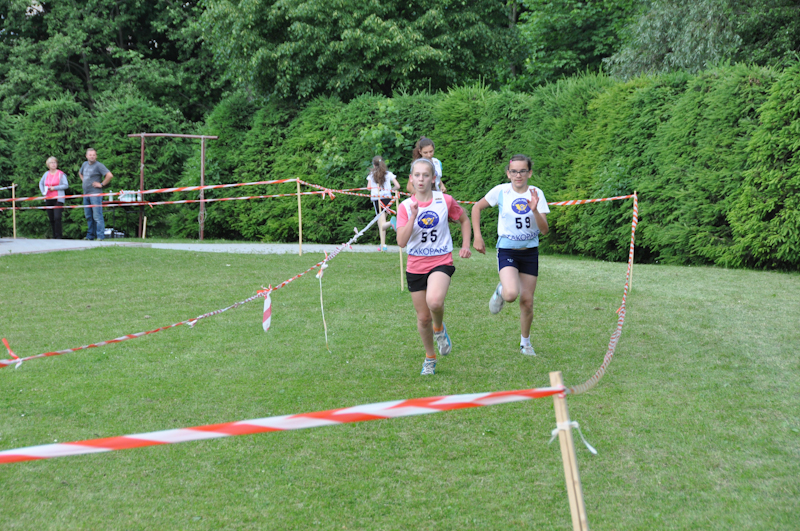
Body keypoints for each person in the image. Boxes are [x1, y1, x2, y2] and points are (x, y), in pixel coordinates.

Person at [397, 158, 471, 375]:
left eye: (425, 175)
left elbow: (464, 220)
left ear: (433, 178)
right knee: (423, 318)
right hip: (415, 265)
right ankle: (430, 357)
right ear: (411, 179)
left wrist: (466, 245)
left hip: (441, 260)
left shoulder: (445, 200)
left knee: (435, 301)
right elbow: (401, 242)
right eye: (417, 175)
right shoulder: (404, 207)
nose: (421, 179)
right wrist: (413, 216)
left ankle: (438, 328)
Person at [471, 154, 549, 356]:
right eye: (514, 171)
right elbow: (476, 208)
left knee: (527, 301)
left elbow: (544, 230)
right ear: (508, 173)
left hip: (530, 253)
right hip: (507, 250)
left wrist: (535, 210)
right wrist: (477, 236)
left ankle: (525, 343)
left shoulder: (536, 193)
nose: (518, 175)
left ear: (529, 173)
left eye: (523, 171)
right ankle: (501, 290)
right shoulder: (501, 191)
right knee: (512, 294)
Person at [366, 156, 400, 251]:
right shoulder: (388, 174)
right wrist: (390, 189)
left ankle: (391, 223)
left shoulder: (372, 174)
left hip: (377, 199)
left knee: (381, 221)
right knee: (381, 221)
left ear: (374, 165)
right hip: (387, 198)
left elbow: (368, 188)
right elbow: (397, 186)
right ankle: (382, 244)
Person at [79, 148, 113, 241]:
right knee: (88, 216)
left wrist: (101, 184)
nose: (92, 156)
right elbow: (80, 173)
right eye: (90, 155)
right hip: (86, 194)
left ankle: (100, 236)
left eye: (94, 155)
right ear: (86, 156)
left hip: (95, 194)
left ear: (96, 156)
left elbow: (109, 175)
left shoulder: (99, 165)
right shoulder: (84, 164)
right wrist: (84, 181)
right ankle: (90, 236)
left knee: (97, 216)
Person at [38, 156, 69, 239]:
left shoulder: (61, 174)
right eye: (51, 163)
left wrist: (55, 188)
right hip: (48, 198)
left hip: (58, 198)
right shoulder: (46, 174)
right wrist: (43, 192)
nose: (53, 164)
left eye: (55, 162)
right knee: (51, 218)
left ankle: (59, 236)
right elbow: (41, 183)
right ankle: (54, 235)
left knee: (57, 217)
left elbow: (66, 185)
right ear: (48, 164)